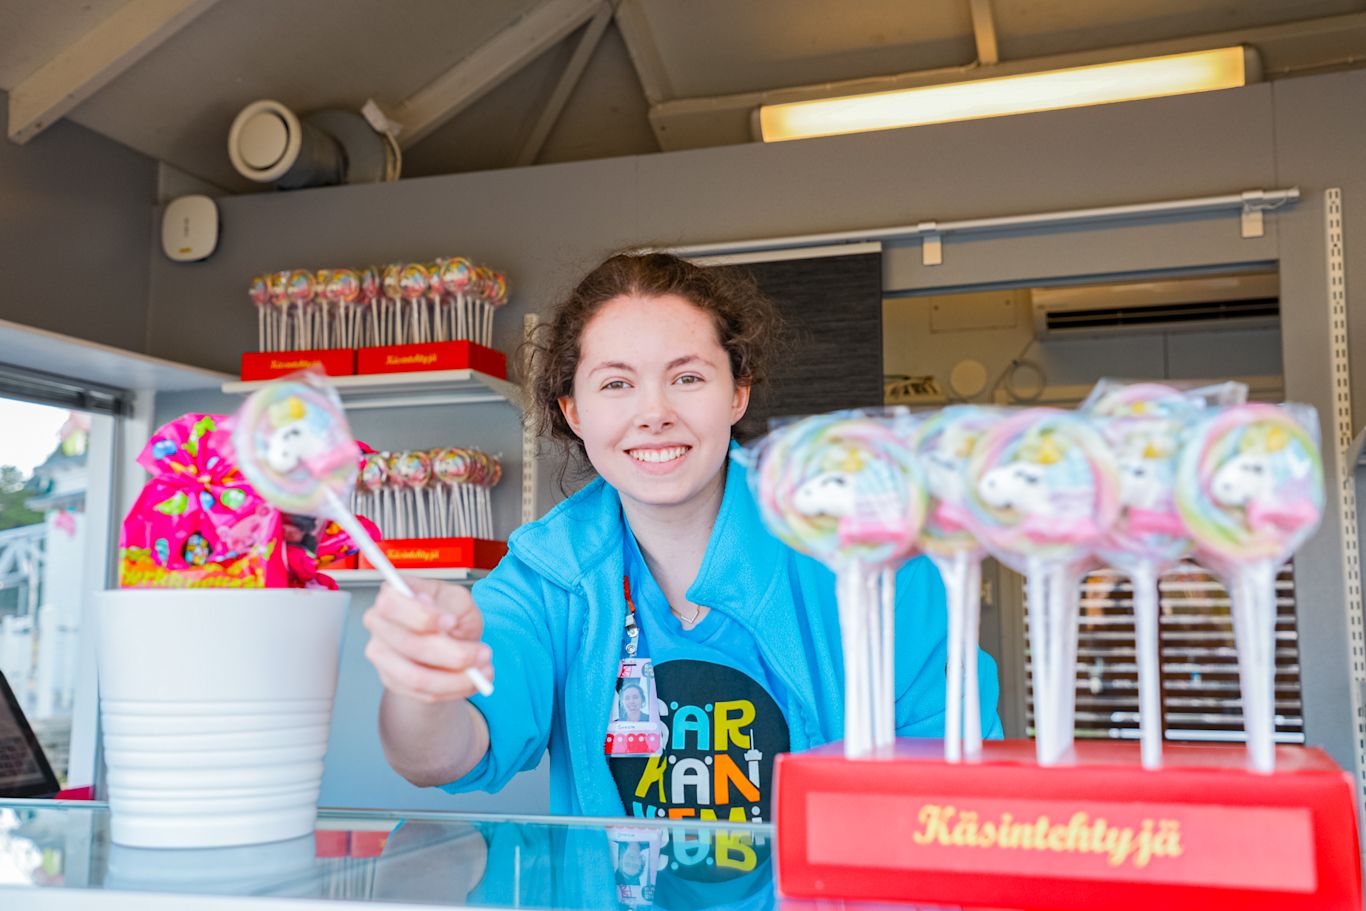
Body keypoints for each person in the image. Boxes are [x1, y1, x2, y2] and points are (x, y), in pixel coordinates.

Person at [363, 252, 1002, 821]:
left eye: (688, 377)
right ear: (573, 411)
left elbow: (954, 790)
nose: (655, 413)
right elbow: (441, 757)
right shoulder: (547, 576)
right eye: (617, 383)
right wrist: (421, 683)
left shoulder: (869, 558)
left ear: (737, 393)